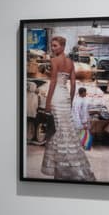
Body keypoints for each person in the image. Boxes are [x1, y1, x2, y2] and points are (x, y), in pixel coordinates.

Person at [40, 36, 95, 181]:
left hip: (56, 96)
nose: (53, 48)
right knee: (66, 129)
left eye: (56, 46)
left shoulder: (54, 61)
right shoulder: (70, 63)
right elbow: (73, 83)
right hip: (64, 96)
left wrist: (47, 103)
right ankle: (68, 167)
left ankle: (60, 168)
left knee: (57, 131)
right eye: (52, 46)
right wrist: (70, 101)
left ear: (63, 46)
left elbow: (52, 82)